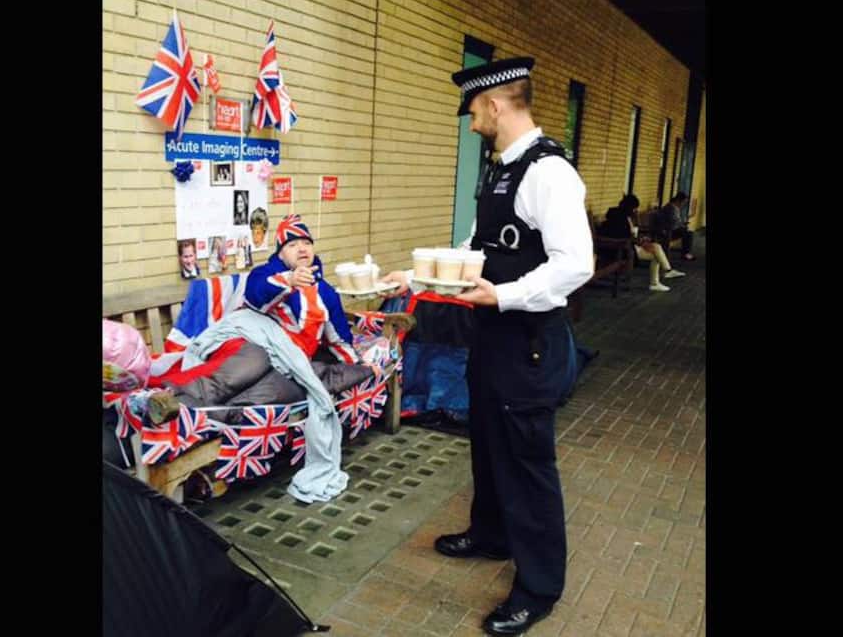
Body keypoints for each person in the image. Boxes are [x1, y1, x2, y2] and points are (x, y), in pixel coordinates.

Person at [382, 57, 591, 635]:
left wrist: (503, 296)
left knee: (526, 462)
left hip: (528, 343)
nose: (472, 124)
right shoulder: (501, 172)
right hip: (493, 340)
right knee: (490, 443)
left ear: (496, 105)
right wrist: (412, 277)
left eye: (474, 112)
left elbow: (576, 264)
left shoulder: (549, 173)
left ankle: (539, 587)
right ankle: (492, 534)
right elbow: (471, 254)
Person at [244, 214, 358, 364]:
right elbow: (254, 297)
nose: (302, 249)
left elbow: (339, 336)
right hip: (261, 357)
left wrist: (356, 365)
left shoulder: (324, 289)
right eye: (292, 245)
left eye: (307, 243)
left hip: (302, 361)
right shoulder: (262, 274)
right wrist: (289, 280)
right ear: (280, 255)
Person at [602, 195, 684, 291]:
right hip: (622, 248)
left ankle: (664, 273)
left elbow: (628, 234)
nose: (635, 211)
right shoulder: (621, 219)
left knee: (656, 248)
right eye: (635, 208)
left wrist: (640, 239)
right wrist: (640, 242)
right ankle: (660, 277)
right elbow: (624, 236)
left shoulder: (622, 215)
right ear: (630, 207)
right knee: (656, 253)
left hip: (627, 245)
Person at [654, 192, 696, 261]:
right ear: (678, 200)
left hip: (668, 229)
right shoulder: (671, 208)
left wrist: (682, 224)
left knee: (687, 232)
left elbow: (674, 221)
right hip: (666, 231)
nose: (683, 205)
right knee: (688, 233)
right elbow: (673, 223)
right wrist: (682, 224)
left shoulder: (673, 207)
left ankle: (686, 253)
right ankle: (685, 253)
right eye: (683, 202)